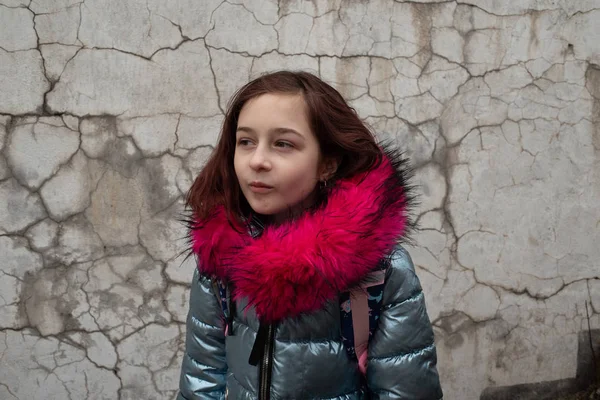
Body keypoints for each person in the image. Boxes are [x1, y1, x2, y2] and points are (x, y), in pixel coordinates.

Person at [177, 71, 443, 400]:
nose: (257, 160)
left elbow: (406, 390)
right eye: (245, 141)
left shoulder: (380, 271)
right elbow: (202, 376)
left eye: (283, 144)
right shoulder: (220, 255)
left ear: (327, 164)